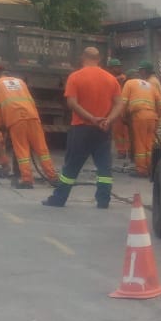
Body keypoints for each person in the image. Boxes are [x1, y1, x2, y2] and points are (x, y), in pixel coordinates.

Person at [44, 47, 125, 209]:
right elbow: (119, 103)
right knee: (104, 167)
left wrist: (91, 118)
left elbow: (72, 103)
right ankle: (103, 200)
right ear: (99, 59)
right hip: (103, 129)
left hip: (81, 128)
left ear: (83, 58)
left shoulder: (75, 77)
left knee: (71, 166)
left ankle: (59, 199)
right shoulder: (111, 79)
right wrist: (108, 120)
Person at [0, 64, 58, 189]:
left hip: (15, 118)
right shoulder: (20, 82)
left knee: (22, 149)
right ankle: (53, 177)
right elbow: (30, 100)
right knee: (42, 149)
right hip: (33, 116)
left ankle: (27, 180)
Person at [122, 63, 161, 177]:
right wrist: (157, 117)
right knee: (149, 143)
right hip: (152, 117)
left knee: (139, 143)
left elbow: (123, 103)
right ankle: (150, 168)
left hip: (139, 116)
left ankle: (141, 170)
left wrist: (123, 117)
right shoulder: (149, 85)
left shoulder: (129, 83)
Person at [108, 57, 132, 167]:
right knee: (118, 132)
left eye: (119, 67)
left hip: (123, 107)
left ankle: (128, 150)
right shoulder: (111, 78)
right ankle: (121, 151)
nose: (118, 68)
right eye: (116, 67)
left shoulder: (123, 78)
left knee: (126, 131)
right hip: (115, 108)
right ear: (111, 68)